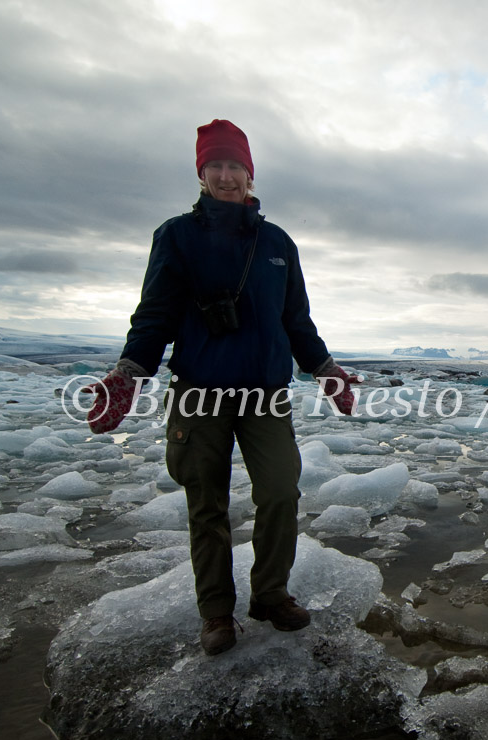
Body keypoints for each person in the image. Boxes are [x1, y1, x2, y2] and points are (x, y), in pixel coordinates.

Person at [87, 119, 359, 656]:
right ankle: (216, 613)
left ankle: (271, 595)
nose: (227, 176)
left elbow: (295, 318)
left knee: (281, 490)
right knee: (205, 501)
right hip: (200, 390)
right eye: (216, 165)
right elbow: (156, 313)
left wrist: (325, 367)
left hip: (264, 392)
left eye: (236, 166)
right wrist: (131, 371)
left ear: (250, 174)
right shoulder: (177, 236)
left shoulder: (278, 242)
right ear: (201, 173)